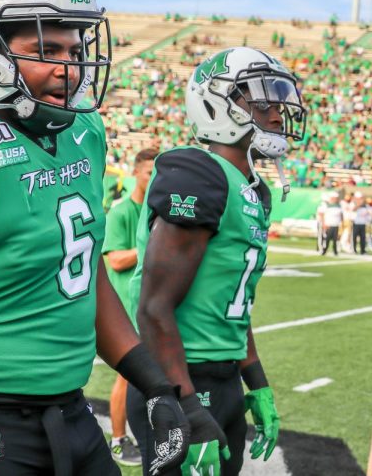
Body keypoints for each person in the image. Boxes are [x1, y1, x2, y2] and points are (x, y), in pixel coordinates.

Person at [0, 0, 190, 475]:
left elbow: (81, 269)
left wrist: (157, 386)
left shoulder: (84, 132)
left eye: (75, 48)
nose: (69, 66)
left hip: (72, 412)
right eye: (46, 49)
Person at [126, 47, 306, 476]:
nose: (278, 113)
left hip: (222, 380)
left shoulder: (252, 189)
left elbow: (234, 310)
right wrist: (184, 403)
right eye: (262, 100)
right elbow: (154, 307)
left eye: (279, 100)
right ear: (215, 103)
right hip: (180, 378)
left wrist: (257, 383)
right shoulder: (199, 172)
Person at [104, 147, 159, 466]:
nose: (152, 179)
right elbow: (115, 258)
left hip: (146, 306)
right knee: (126, 377)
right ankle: (117, 440)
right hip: (125, 305)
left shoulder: (153, 211)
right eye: (149, 172)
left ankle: (138, 433)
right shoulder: (122, 210)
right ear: (136, 173)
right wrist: (151, 246)